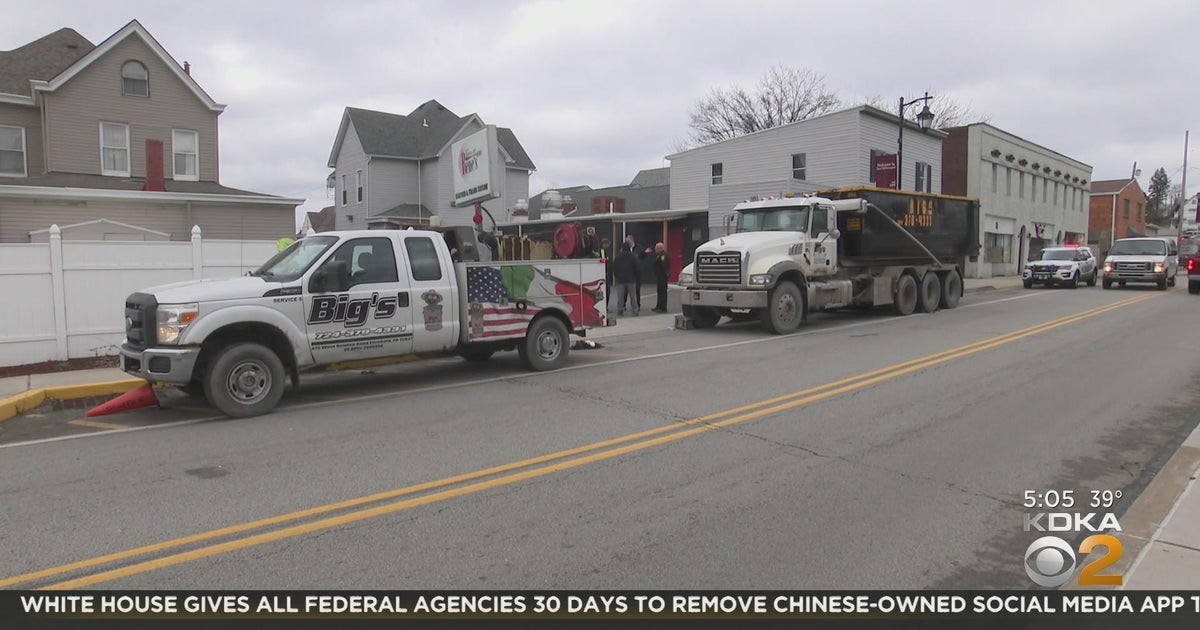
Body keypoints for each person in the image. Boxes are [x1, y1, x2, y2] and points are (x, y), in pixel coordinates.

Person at [613, 237, 639, 316]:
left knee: (620, 297)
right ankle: (635, 310)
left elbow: (614, 268)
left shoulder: (618, 257)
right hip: (631, 279)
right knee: (633, 297)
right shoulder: (633, 256)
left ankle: (620, 310)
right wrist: (635, 276)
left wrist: (617, 276)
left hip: (621, 280)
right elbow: (637, 267)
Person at [652, 242, 669, 312]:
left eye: (656, 248)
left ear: (660, 248)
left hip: (663, 276)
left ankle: (663, 308)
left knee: (663, 292)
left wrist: (664, 274)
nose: (655, 249)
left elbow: (664, 265)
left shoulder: (663, 255)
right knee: (659, 291)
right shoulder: (659, 255)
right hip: (659, 276)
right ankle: (658, 306)